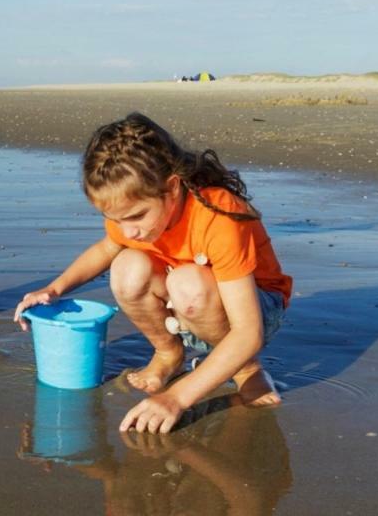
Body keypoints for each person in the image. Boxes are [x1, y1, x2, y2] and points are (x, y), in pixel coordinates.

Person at [14, 112, 292, 434]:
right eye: (116, 220)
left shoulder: (219, 217)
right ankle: (167, 352)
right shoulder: (130, 216)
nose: (128, 232)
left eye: (136, 217)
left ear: (172, 188)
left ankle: (247, 370)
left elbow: (248, 332)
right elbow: (106, 249)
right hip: (188, 301)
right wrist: (54, 289)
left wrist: (177, 397)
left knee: (187, 282)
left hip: (256, 306)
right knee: (127, 267)